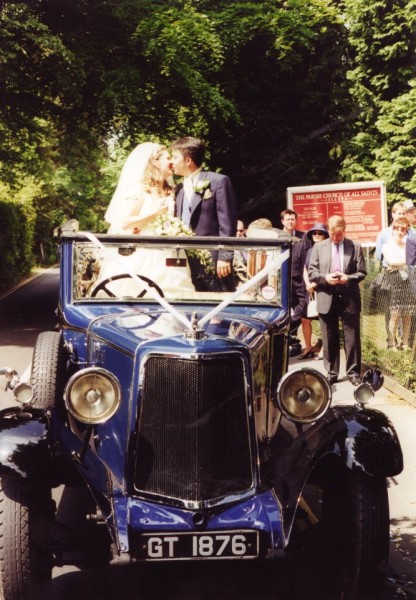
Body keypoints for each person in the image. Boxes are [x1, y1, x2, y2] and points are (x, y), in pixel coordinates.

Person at [97, 141, 194, 297]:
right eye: (168, 158)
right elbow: (125, 222)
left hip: (171, 255)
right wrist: (154, 213)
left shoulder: (173, 191)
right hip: (144, 254)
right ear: (155, 162)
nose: (171, 161)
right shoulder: (140, 189)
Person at [171, 136, 237, 291]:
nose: (171, 162)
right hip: (184, 259)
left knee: (218, 304)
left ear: (187, 160)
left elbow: (227, 223)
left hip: (213, 258)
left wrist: (225, 257)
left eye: (174, 157)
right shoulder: (178, 189)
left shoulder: (218, 181)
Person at [308, 215, 367, 386]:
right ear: (328, 230)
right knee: (329, 336)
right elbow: (312, 272)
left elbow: (362, 272)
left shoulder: (354, 246)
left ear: (344, 230)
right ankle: (332, 372)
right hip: (327, 296)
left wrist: (347, 278)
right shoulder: (318, 247)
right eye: (332, 234)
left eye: (339, 235)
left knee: (352, 337)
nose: (335, 238)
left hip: (349, 297)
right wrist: (325, 278)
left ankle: (353, 373)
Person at [381, 218, 415, 351]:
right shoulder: (387, 246)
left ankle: (405, 342)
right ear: (393, 230)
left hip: (408, 281)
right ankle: (391, 342)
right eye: (397, 229)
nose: (400, 232)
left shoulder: (409, 245)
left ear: (406, 231)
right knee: (395, 314)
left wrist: (402, 263)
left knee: (408, 313)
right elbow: (391, 261)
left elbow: (410, 262)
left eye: (403, 230)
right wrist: (406, 262)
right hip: (395, 281)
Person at [297, 223, 329, 360]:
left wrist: (315, 283)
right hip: (309, 289)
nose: (317, 235)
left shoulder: (327, 250)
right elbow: (305, 268)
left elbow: (327, 269)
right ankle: (308, 346)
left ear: (325, 235)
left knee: (324, 319)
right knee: (305, 318)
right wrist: (308, 284)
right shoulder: (310, 250)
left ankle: (324, 349)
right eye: (314, 233)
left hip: (322, 288)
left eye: (320, 233)